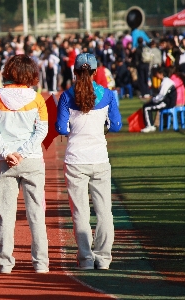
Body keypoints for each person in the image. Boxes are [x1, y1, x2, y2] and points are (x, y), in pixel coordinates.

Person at [55, 53, 122, 270]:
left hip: (75, 159)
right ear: (95, 72)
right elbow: (116, 125)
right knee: (104, 210)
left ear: (74, 72)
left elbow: (60, 128)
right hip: (99, 158)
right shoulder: (108, 95)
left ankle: (85, 259)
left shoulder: (66, 96)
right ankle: (103, 259)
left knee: (80, 212)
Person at [0, 54, 49, 274]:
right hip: (31, 161)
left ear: (8, 71)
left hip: (6, 163)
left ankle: (4, 263)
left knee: (6, 215)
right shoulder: (37, 98)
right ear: (31, 73)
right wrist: (22, 153)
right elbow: (42, 130)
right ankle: (40, 263)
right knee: (36, 215)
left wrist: (8, 153)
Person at [141, 67, 177, 133]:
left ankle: (149, 126)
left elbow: (161, 96)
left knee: (146, 108)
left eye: (157, 73)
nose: (156, 75)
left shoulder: (166, 82)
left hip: (166, 103)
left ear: (161, 74)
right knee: (147, 105)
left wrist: (153, 100)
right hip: (166, 101)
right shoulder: (166, 81)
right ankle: (150, 125)